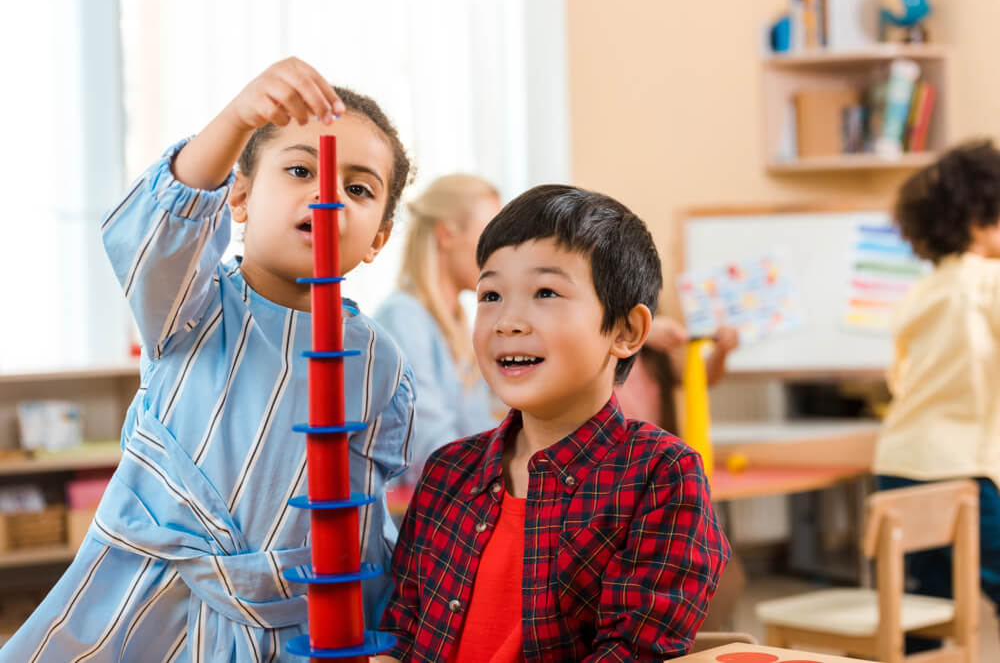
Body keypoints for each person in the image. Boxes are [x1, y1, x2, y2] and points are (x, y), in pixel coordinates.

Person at [2, 58, 415, 661]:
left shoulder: (381, 362)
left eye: (358, 188)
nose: (327, 195)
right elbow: (157, 230)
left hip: (287, 626)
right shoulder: (190, 304)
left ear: (378, 237)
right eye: (301, 169)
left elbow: (359, 521)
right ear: (239, 196)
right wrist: (240, 117)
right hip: (144, 606)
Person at [377, 185, 731, 661]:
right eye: (491, 295)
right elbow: (398, 637)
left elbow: (630, 652)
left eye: (545, 292)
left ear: (626, 332)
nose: (508, 321)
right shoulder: (446, 473)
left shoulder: (662, 475)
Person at [873, 140, 1000, 651]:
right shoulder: (990, 280)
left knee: (920, 611)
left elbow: (901, 378)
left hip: (899, 461)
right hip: (962, 470)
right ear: (977, 221)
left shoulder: (919, 293)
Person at [375, 175, 500, 483]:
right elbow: (430, 444)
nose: (498, 253)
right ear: (445, 235)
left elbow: (482, 430)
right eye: (490, 237)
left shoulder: (459, 325)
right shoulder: (402, 317)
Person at [616, 315, 739, 434]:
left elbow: (695, 376)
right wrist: (640, 331)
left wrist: (721, 351)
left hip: (646, 440)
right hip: (608, 439)